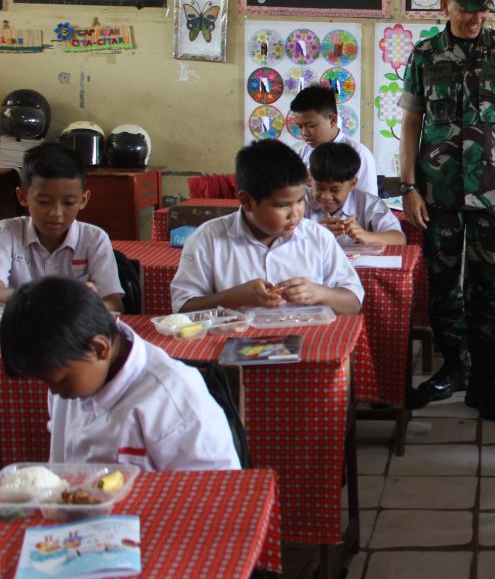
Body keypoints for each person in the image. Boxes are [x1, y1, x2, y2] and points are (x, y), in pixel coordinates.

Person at [399, 0, 495, 421]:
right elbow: (411, 125)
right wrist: (409, 187)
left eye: (481, 10)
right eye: (465, 8)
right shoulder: (424, 55)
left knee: (489, 289)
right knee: (442, 287)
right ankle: (451, 369)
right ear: (446, 5)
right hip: (437, 195)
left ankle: (483, 379)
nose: (474, 18)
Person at [1, 276, 241, 471]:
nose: (54, 392)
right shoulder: (70, 375)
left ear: (99, 348)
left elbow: (216, 491)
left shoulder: (173, 399)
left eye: (59, 382)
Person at [170, 139, 363, 315]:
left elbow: (354, 303)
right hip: (233, 345)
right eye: (282, 205)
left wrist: (320, 293)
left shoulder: (318, 237)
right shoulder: (209, 238)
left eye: (299, 201)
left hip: (308, 346)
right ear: (247, 202)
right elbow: (182, 307)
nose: (295, 213)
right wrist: (234, 297)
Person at [0, 143, 122, 312]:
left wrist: (89, 302)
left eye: (68, 203)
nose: (56, 213)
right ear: (22, 197)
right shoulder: (6, 233)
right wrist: (50, 297)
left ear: (83, 200)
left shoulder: (94, 239)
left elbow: (114, 305)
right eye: (44, 202)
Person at [307, 142, 405, 246]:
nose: (326, 196)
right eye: (319, 188)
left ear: (352, 184)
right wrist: (315, 233)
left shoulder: (368, 203)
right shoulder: (299, 201)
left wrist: (366, 236)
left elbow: (399, 239)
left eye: (335, 190)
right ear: (310, 180)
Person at [291, 85, 378, 197]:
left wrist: (317, 185)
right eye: (300, 126)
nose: (304, 133)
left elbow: (369, 204)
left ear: (332, 120)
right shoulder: (301, 154)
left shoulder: (359, 154)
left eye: (311, 126)